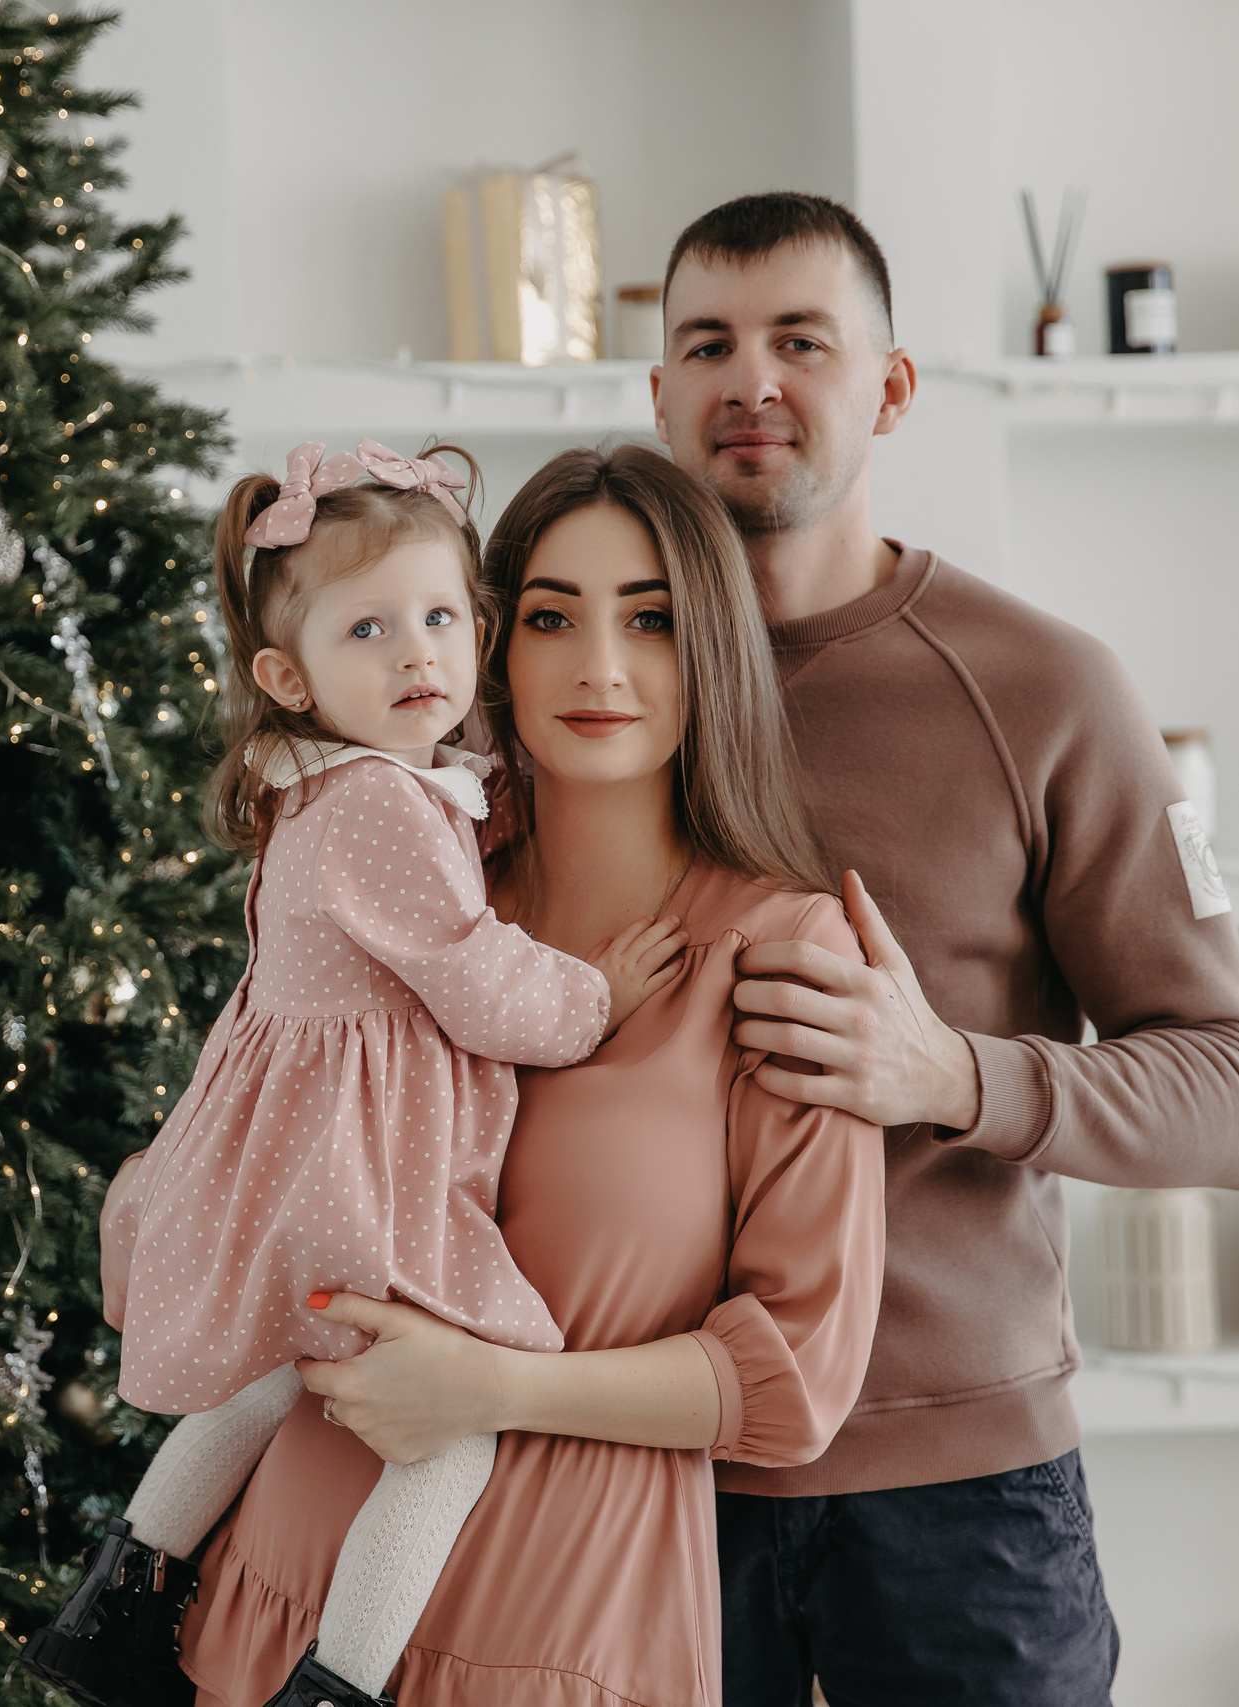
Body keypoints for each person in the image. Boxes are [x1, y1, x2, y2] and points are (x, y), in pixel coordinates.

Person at [647, 192, 1239, 1704]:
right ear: (660, 393)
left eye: (801, 340)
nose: (752, 380)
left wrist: (951, 1070)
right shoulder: (569, 681)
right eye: (708, 344)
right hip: (642, 1472)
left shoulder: (1046, 686)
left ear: (890, 387)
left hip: (964, 1503)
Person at [164, 445, 888, 1705]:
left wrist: (494, 1386)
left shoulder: (780, 955)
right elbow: (234, 1147)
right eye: (551, 616)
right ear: (499, 647)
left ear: (708, 649)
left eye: (650, 620)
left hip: (557, 1630)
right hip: (281, 1595)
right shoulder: (399, 891)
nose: (599, 666)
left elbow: (789, 1389)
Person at [22, 437, 690, 1707]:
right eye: (371, 630)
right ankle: (340, 1684)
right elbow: (478, 977)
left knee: (277, 1374)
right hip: (358, 1167)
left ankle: (118, 1596)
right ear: (289, 674)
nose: (418, 655)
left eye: (441, 617)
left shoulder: (327, 789)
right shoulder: (384, 807)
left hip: (295, 1154)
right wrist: (597, 994)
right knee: (452, 1438)